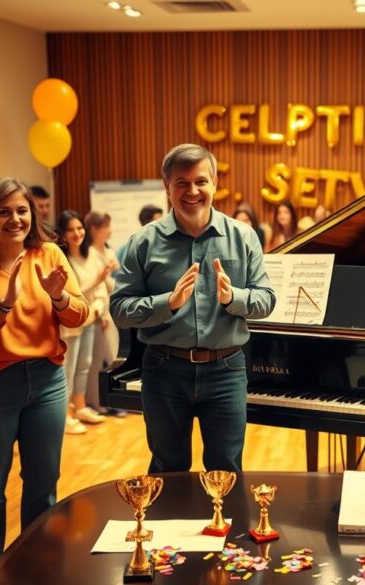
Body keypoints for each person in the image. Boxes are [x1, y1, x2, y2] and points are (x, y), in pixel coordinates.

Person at [0, 178, 88, 579]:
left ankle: (38, 567)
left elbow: (78, 316)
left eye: (22, 210)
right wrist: (4, 305)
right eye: (4, 211)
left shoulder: (49, 254)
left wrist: (59, 297)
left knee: (43, 484)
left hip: (46, 382)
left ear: (33, 214)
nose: (15, 219)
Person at [110, 144, 275, 473]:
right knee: (168, 469)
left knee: (226, 470)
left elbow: (266, 299)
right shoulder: (143, 243)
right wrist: (167, 303)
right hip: (163, 371)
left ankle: (223, 527)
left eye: (201, 181)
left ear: (214, 182)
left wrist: (234, 298)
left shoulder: (243, 237)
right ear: (166, 186)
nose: (192, 191)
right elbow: (120, 309)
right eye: (181, 182)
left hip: (226, 371)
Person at [57, 210, 110, 434]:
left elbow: (101, 289)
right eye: (71, 230)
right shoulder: (61, 259)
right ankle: (65, 415)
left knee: (85, 365)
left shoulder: (89, 255)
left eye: (79, 228)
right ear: (62, 234)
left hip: (90, 318)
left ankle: (80, 407)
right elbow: (72, 292)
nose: (77, 233)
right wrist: (96, 280)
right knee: (68, 369)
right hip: (70, 323)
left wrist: (100, 310)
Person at [84, 211, 125, 418]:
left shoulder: (107, 251)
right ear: (95, 229)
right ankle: (97, 402)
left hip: (111, 310)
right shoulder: (91, 253)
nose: (110, 230)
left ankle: (109, 400)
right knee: (99, 360)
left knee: (110, 357)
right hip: (101, 313)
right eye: (106, 226)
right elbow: (101, 284)